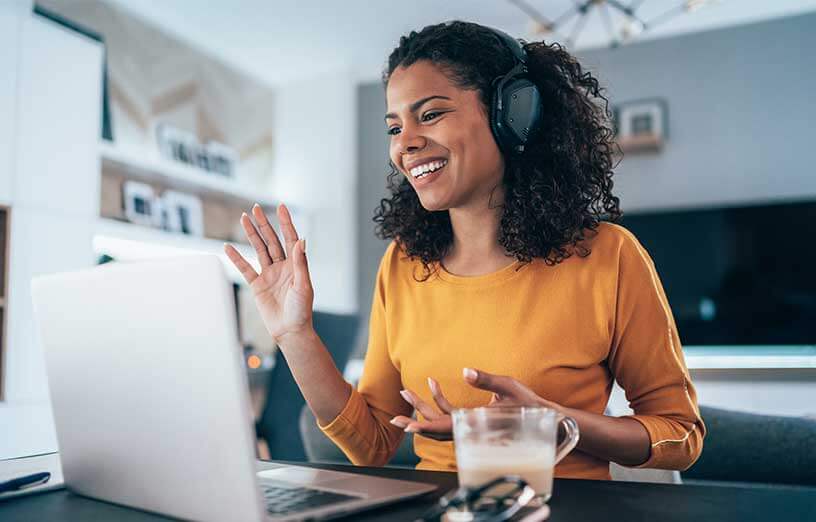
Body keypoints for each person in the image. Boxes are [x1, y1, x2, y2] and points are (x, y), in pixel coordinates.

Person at [224, 21, 705, 480]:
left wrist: (556, 422)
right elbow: (371, 444)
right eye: (394, 128)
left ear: (513, 115)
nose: (406, 145)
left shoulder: (608, 256)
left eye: (430, 114)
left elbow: (680, 436)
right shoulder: (404, 263)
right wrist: (295, 335)